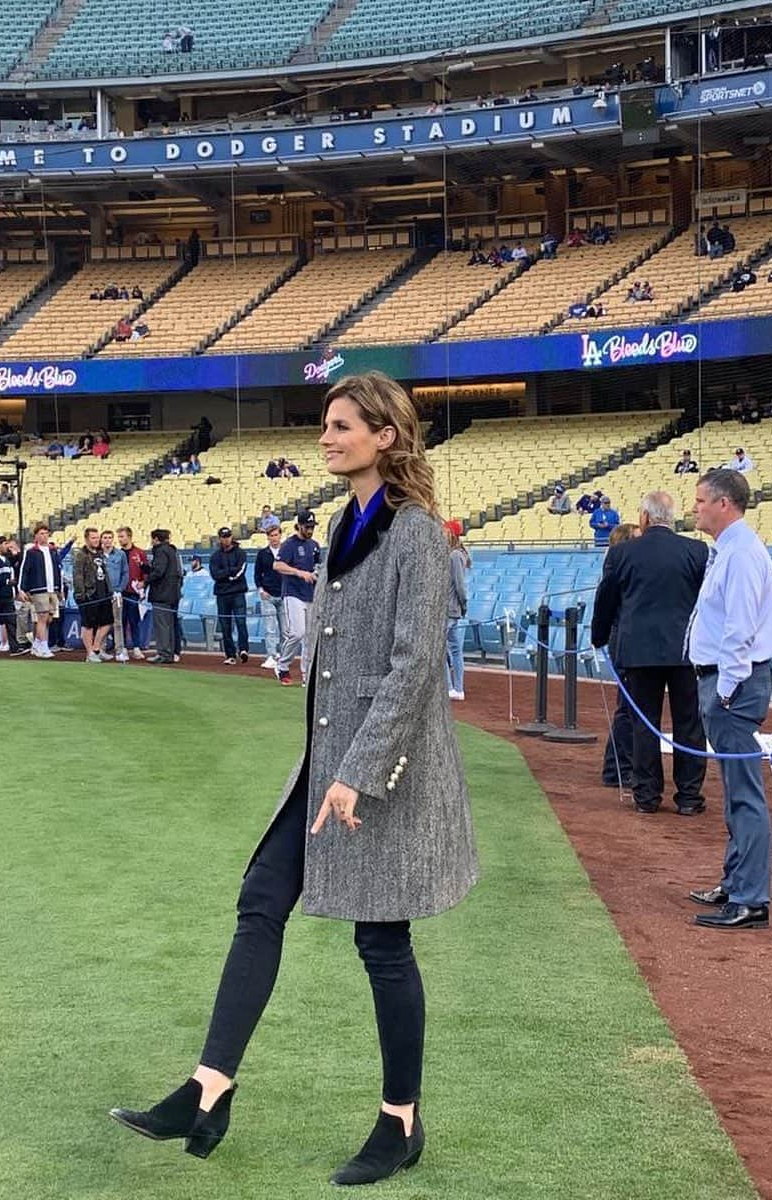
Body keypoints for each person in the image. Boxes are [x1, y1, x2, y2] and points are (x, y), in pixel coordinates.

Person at [109, 370, 479, 1185]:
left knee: (382, 942)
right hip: (325, 764)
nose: (326, 436)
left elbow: (416, 664)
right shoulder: (349, 518)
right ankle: (209, 1088)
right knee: (260, 899)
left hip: (383, 771)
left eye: (343, 424)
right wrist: (333, 765)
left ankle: (401, 1121)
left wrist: (358, 770)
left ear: (385, 435)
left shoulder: (415, 530)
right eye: (325, 423)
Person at [688, 469, 772, 929]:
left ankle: (751, 899)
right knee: (734, 791)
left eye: (701, 500)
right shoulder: (729, 551)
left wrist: (724, 690)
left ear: (724, 504)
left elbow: (740, 631)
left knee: (744, 793)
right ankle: (736, 882)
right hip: (727, 685)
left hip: (733, 687)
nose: (695, 508)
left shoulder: (742, 554)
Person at [592, 492, 708, 814]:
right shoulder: (696, 551)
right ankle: (688, 797)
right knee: (689, 723)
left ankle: (646, 796)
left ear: (644, 517)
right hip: (686, 651)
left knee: (644, 723)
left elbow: (607, 598)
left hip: (639, 652)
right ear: (671, 518)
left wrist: (598, 636)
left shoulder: (623, 553)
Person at [595, 523, 640, 789]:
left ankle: (617, 767)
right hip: (621, 637)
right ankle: (617, 768)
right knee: (627, 708)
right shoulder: (620, 569)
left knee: (628, 707)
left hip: (623, 635)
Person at [274, 511, 321, 685]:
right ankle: (282, 665)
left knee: (310, 637)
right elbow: (277, 565)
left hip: (310, 594)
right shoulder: (289, 545)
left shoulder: (314, 545)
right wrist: (299, 573)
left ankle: (306, 676)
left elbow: (317, 565)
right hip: (293, 593)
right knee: (297, 632)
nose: (310, 530)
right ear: (299, 526)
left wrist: (316, 574)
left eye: (312, 527)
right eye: (307, 527)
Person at [18, 524, 68, 659]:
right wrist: (22, 588)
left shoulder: (53, 551)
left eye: (46, 533)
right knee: (42, 617)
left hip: (52, 589)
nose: (44, 536)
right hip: (39, 588)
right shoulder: (31, 552)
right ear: (36, 536)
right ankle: (43, 645)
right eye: (41, 533)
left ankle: (37, 643)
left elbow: (59, 570)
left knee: (49, 618)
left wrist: (60, 588)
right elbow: (25, 571)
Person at [73, 528, 114, 663]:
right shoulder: (81, 555)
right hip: (89, 594)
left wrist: (110, 590)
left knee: (107, 622)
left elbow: (105, 573)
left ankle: (96, 648)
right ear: (86, 539)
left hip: (104, 593)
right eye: (93, 538)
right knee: (88, 624)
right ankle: (90, 653)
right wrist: (81, 594)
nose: (96, 540)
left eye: (97, 537)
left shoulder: (100, 554)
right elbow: (78, 575)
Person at [209, 527, 249, 665]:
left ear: (232, 537)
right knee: (225, 625)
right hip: (222, 594)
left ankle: (243, 649)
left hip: (237, 592)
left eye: (228, 536)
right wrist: (230, 572)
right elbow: (215, 575)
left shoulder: (240, 553)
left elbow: (240, 571)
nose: (226, 539)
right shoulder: (215, 556)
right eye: (223, 537)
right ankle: (230, 654)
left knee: (240, 622)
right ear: (220, 538)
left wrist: (226, 574)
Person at [0, 536, 28, 657]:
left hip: (7, 596)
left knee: (11, 622)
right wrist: (7, 582)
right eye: (5, 544)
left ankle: (14, 647)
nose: (7, 546)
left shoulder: (6, 560)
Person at [147, 529, 184, 664]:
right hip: (173, 594)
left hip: (162, 594)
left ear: (156, 539)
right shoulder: (172, 551)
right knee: (169, 625)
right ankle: (170, 651)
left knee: (162, 625)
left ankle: (164, 653)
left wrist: (145, 581)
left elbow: (158, 572)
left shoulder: (160, 551)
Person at [253, 523, 285, 671]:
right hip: (268, 594)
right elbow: (257, 573)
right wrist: (261, 590)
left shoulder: (286, 551)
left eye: (276, 535)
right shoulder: (262, 554)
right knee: (270, 629)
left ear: (280, 535)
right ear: (268, 537)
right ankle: (271, 655)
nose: (274, 538)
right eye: (271, 536)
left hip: (285, 594)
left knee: (286, 629)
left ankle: (285, 657)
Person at [116, 526, 150, 659]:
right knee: (121, 621)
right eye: (119, 537)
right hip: (120, 592)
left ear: (129, 536)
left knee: (134, 620)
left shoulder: (139, 553)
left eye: (122, 536)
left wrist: (144, 583)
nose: (120, 539)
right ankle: (122, 647)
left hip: (133, 592)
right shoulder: (117, 554)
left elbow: (146, 571)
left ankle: (136, 647)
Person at [445, 520, 468, 701]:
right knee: (454, 649)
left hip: (449, 609)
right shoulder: (455, 555)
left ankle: (453, 687)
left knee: (444, 650)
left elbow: (459, 585)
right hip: (452, 609)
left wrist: (463, 604)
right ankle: (457, 688)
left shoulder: (454, 556)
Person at [101, 530, 129, 662]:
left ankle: (120, 650)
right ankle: (101, 649)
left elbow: (125, 573)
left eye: (109, 538)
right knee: (102, 623)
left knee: (117, 623)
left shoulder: (120, 554)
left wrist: (119, 589)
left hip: (116, 594)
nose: (107, 540)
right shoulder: (98, 555)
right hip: (101, 595)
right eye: (105, 538)